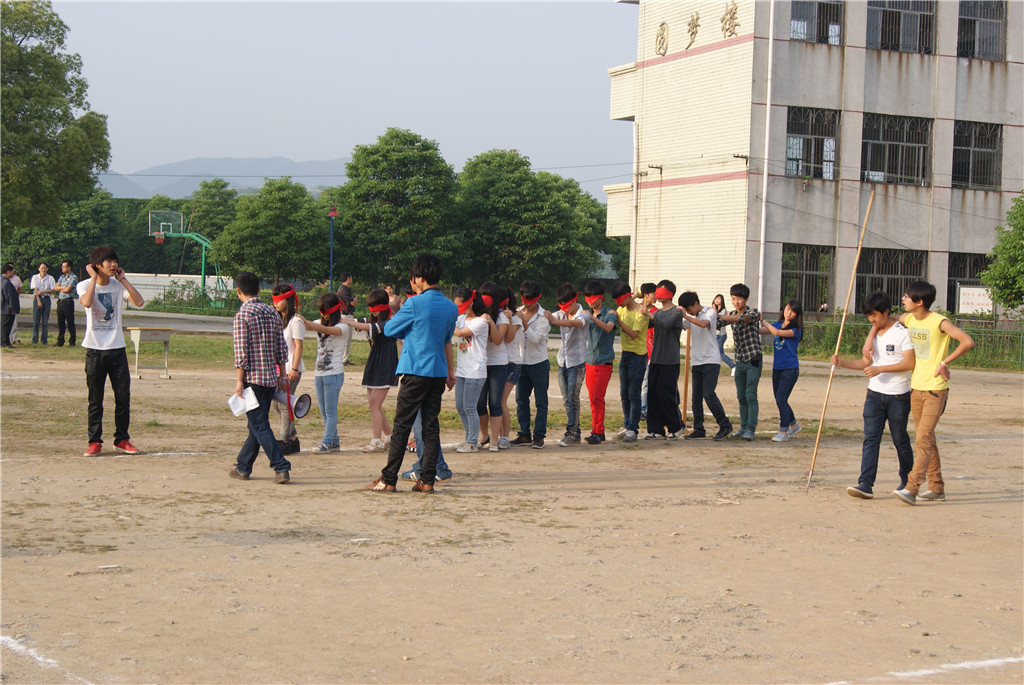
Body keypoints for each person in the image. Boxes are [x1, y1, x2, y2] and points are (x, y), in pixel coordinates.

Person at [365, 253, 457, 494]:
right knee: (430, 427)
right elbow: (447, 339)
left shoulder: (414, 303)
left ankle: (388, 479)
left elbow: (390, 329)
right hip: (437, 372)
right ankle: (427, 480)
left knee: (402, 426)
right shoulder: (451, 306)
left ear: (419, 278)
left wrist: (413, 328)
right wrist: (450, 370)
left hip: (415, 370)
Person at [889, 281, 975, 505]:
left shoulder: (939, 322)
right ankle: (936, 487)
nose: (903, 299)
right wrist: (870, 340)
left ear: (919, 301)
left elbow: (967, 341)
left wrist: (944, 362)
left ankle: (912, 487)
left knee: (923, 438)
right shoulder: (908, 319)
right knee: (927, 439)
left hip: (935, 389)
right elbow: (885, 319)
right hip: (915, 388)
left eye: (907, 297)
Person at [831, 291, 915, 500]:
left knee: (900, 440)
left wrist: (881, 369)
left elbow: (910, 363)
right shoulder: (874, 334)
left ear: (886, 312)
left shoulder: (901, 333)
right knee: (870, 439)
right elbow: (865, 363)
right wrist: (843, 363)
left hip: (898, 396)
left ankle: (908, 482)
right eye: (869, 315)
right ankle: (865, 483)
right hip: (874, 394)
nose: (872, 319)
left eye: (875, 315)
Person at [77, 246, 145, 457]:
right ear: (98, 265)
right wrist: (92, 280)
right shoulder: (84, 285)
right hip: (95, 351)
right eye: (108, 261)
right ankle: (95, 441)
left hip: (117, 350)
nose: (113, 264)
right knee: (95, 399)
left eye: (114, 260)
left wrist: (123, 280)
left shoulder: (118, 286)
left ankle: (122, 439)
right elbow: (87, 302)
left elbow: (140, 302)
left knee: (123, 397)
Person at [228, 272, 292, 484]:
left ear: (239, 291)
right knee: (256, 425)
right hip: (270, 379)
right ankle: (243, 466)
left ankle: (281, 466)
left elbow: (241, 353)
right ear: (258, 289)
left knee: (259, 426)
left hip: (252, 380)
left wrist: (239, 380)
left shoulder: (243, 315)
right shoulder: (272, 313)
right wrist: (282, 376)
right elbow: (281, 348)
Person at [338, 289, 399, 452]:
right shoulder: (376, 318)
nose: (373, 311)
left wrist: (348, 321)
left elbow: (372, 328)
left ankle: (376, 441)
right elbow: (362, 322)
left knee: (375, 404)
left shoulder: (390, 321)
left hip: (386, 362)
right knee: (374, 404)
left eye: (375, 307)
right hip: (375, 360)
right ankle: (389, 436)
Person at [297, 293, 349, 453]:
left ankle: (326, 442)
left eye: (325, 312)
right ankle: (334, 441)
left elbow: (326, 329)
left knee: (330, 410)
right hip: (319, 373)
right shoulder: (319, 322)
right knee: (323, 410)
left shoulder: (343, 326)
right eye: (321, 312)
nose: (322, 316)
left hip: (334, 374)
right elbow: (308, 326)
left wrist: (308, 323)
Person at [677, 291, 733, 441]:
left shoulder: (710, 312)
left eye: (688, 309)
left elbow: (704, 324)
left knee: (708, 394)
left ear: (695, 303)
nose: (688, 312)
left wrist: (686, 316)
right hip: (697, 361)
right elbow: (680, 324)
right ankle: (699, 428)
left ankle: (725, 424)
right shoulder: (692, 316)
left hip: (711, 360)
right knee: (696, 398)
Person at [545, 283, 591, 447]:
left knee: (572, 399)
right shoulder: (561, 313)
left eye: (566, 306)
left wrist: (555, 321)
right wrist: (547, 315)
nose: (564, 310)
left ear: (574, 301)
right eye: (561, 307)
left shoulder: (584, 314)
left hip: (576, 364)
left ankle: (571, 432)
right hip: (563, 362)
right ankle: (575, 432)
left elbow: (575, 324)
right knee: (567, 400)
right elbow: (550, 316)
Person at [510, 280, 551, 449]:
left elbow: (537, 339)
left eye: (531, 300)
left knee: (541, 401)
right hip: (521, 362)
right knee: (521, 399)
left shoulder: (544, 316)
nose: (527, 303)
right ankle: (524, 433)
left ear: (538, 298)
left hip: (539, 362)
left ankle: (539, 435)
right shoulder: (518, 312)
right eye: (525, 299)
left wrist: (525, 324)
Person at [642, 280, 685, 440]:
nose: (658, 293)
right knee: (652, 394)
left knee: (665, 394)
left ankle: (677, 426)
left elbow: (666, 325)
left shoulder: (676, 312)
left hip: (670, 360)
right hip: (656, 359)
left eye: (662, 290)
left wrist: (649, 314)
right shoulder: (658, 312)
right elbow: (648, 324)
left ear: (670, 293)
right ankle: (656, 429)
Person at [719, 283, 762, 441]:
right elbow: (717, 322)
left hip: (753, 359)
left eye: (739, 299)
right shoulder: (731, 314)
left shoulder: (754, 312)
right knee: (741, 396)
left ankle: (751, 428)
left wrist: (723, 317)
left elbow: (744, 319)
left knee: (751, 395)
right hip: (739, 360)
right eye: (734, 298)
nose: (736, 302)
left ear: (746, 299)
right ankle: (743, 428)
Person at [451, 287, 490, 453]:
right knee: (460, 406)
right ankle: (469, 438)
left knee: (470, 407)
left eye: (461, 304)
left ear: (471, 302)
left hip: (475, 371)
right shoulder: (461, 318)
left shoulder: (480, 321)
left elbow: (460, 332)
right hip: (462, 370)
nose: (459, 308)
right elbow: (455, 325)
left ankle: (473, 442)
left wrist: (446, 325)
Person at [760, 299, 804, 442]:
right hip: (777, 368)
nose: (788, 312)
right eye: (787, 309)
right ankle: (794, 424)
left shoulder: (796, 329)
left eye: (792, 311)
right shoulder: (778, 324)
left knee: (781, 399)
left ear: (797, 314)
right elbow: (763, 330)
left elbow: (776, 332)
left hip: (790, 369)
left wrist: (763, 320)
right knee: (780, 399)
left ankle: (784, 431)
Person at [474, 282, 510, 451]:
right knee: (479, 403)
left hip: (498, 363)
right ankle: (484, 435)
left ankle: (495, 440)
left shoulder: (502, 316)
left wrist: (490, 323)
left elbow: (497, 340)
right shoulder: (475, 314)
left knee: (494, 402)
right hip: (480, 363)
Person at [270, 284, 304, 455]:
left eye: (279, 299)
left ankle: (284, 439)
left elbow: (298, 346)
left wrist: (294, 369)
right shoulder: (278, 319)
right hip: (278, 368)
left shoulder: (295, 321)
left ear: (288, 300)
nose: (275, 303)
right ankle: (292, 438)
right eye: (273, 299)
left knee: (285, 404)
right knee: (276, 403)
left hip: (291, 368)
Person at [582, 280, 618, 444]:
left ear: (601, 298)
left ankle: (598, 430)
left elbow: (609, 328)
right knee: (592, 398)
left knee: (598, 396)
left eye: (593, 298)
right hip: (590, 361)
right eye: (587, 297)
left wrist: (593, 318)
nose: (590, 301)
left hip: (604, 361)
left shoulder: (610, 314)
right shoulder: (586, 314)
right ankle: (597, 430)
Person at [612, 282, 647, 443]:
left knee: (634, 393)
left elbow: (633, 334)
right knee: (624, 394)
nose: (618, 305)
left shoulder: (640, 312)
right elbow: (629, 298)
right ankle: (627, 425)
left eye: (619, 300)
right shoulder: (623, 308)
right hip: (625, 354)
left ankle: (633, 428)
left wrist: (618, 321)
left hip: (638, 356)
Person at [500, 287, 522, 449]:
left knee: (501, 401)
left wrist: (508, 319)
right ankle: (499, 435)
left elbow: (508, 338)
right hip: (499, 363)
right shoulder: (496, 316)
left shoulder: (515, 319)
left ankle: (505, 436)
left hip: (512, 363)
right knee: (495, 402)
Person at [638, 282, 657, 421]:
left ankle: (643, 410)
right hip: (636, 349)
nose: (656, 297)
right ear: (645, 295)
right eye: (653, 294)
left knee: (645, 382)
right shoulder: (636, 308)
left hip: (651, 351)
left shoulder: (656, 311)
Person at [54, 260, 79, 347]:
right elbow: (55, 288)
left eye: (64, 266)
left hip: (68, 301)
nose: (62, 268)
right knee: (60, 322)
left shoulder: (73, 277)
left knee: (70, 322)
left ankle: (72, 341)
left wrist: (62, 289)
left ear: (69, 267)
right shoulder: (62, 277)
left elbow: (68, 290)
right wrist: (63, 288)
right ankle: (60, 340)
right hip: (60, 301)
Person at [30, 261, 56, 344]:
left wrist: (43, 291)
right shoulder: (35, 277)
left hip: (47, 299)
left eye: (45, 268)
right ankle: (34, 340)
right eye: (42, 268)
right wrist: (38, 301)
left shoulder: (50, 278)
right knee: (36, 321)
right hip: (37, 299)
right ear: (39, 269)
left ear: (47, 269)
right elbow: (36, 290)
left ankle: (44, 340)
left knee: (45, 321)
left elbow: (53, 289)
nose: (43, 269)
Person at [335, 271, 356, 365]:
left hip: (348, 314)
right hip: (345, 315)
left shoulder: (346, 289)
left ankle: (344, 358)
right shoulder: (343, 289)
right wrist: (355, 299)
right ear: (348, 278)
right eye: (350, 277)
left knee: (348, 338)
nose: (351, 279)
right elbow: (352, 302)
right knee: (346, 338)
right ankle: (343, 359)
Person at [711, 294, 735, 373]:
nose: (717, 300)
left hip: (721, 335)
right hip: (716, 334)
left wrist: (715, 310)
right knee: (715, 353)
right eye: (716, 298)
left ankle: (733, 366)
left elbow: (717, 320)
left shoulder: (723, 310)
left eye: (719, 299)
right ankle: (716, 368)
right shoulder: (714, 309)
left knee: (720, 353)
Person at [1, 263, 20, 348]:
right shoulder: (6, 283)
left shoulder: (2, 281)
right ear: (8, 271)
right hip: (6, 309)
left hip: (3, 308)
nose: (13, 274)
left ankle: (3, 341)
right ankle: (5, 342)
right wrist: (12, 308)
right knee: (7, 326)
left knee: (4, 326)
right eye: (12, 272)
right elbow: (9, 297)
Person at [6, 265, 22, 344]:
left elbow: (19, 289)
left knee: (14, 322)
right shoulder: (3, 279)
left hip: (13, 302)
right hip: (4, 303)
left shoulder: (17, 279)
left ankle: (14, 339)